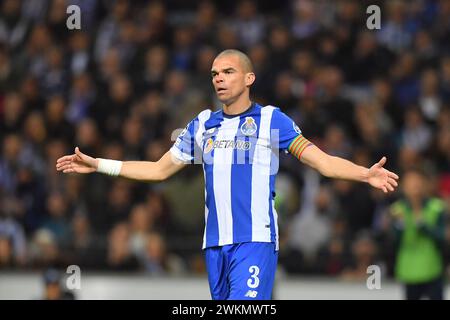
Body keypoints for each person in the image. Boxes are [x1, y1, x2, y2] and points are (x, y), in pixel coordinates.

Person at [56, 49, 399, 300]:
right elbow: (159, 170)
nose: (218, 77)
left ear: (249, 78)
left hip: (255, 241)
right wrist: (99, 164)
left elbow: (321, 161)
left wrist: (363, 174)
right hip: (214, 245)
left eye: (228, 71)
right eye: (214, 73)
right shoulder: (202, 124)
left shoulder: (271, 121)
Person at [387, 169, 446, 300]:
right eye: (410, 182)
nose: (414, 186)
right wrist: (399, 224)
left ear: (425, 184)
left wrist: (423, 225)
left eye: (417, 181)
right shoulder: (397, 210)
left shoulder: (437, 207)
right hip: (409, 270)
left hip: (432, 269)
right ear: (403, 186)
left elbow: (442, 237)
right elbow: (393, 242)